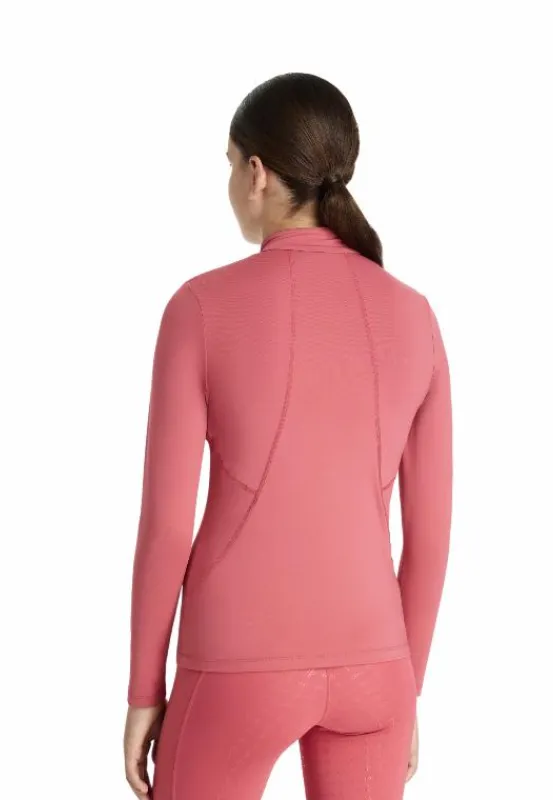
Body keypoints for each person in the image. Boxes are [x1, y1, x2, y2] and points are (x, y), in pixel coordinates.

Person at [123, 72, 453, 800]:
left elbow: (168, 527)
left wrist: (145, 689)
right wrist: (406, 688)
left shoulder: (200, 307)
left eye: (228, 165)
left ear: (257, 172)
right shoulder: (416, 316)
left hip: (236, 667)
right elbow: (429, 539)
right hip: (377, 674)